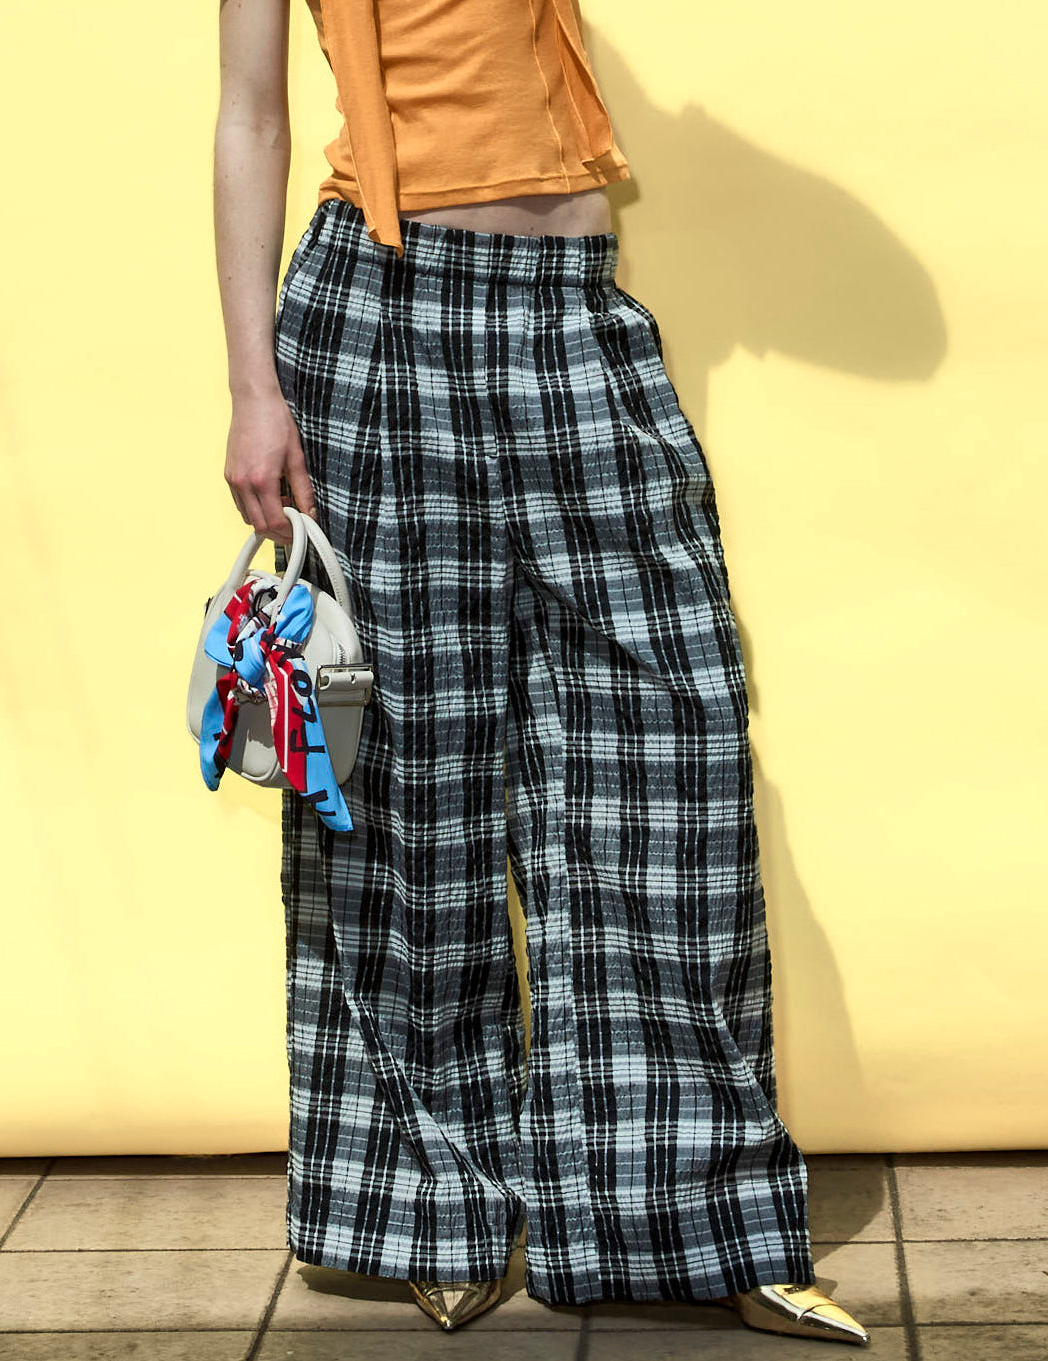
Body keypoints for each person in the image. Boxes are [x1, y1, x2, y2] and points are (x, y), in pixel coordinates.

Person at [213, 0, 871, 1344]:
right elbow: (252, 114)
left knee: (670, 749)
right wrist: (251, 389)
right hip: (382, 313)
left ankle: (689, 1217)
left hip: (573, 308)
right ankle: (429, 1209)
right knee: (408, 787)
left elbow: (901, 315)